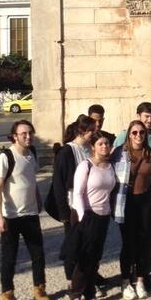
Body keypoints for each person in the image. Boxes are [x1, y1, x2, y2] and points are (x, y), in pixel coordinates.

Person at [0, 120, 50, 300]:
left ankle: (39, 289)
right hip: (11, 215)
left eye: (30, 133)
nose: (28, 136)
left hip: (30, 212)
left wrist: (38, 199)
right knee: (10, 256)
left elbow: (30, 179)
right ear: (14, 136)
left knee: (38, 254)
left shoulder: (32, 153)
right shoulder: (6, 157)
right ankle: (7, 293)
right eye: (23, 133)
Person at [70, 132, 117, 300]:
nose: (104, 147)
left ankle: (89, 293)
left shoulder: (110, 166)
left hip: (103, 216)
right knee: (83, 257)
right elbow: (78, 193)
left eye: (106, 144)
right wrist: (83, 218)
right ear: (93, 147)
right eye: (100, 144)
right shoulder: (86, 165)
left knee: (95, 257)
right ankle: (75, 294)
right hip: (87, 215)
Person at [50, 115, 96, 290]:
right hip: (72, 205)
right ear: (81, 131)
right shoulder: (67, 152)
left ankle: (87, 275)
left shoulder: (89, 148)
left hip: (89, 203)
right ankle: (71, 279)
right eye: (90, 130)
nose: (93, 133)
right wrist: (63, 213)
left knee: (88, 243)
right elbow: (58, 184)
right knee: (73, 243)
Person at [112, 120, 151, 300]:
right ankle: (125, 280)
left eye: (142, 133)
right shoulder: (119, 153)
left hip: (145, 200)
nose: (139, 136)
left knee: (145, 241)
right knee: (128, 242)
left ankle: (140, 279)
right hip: (126, 200)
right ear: (129, 134)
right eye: (135, 132)